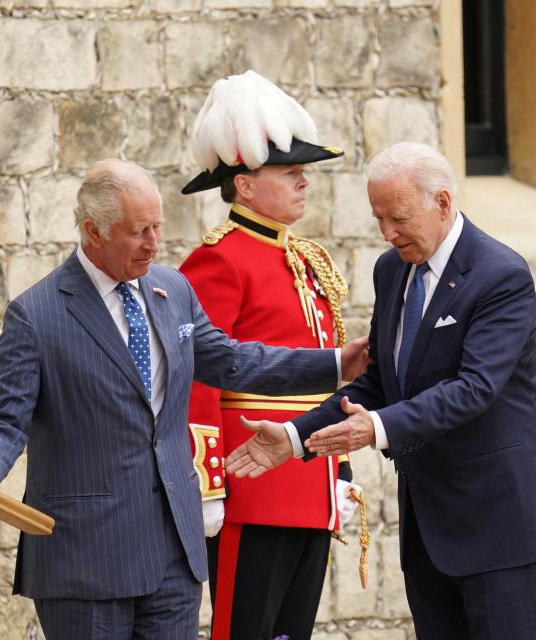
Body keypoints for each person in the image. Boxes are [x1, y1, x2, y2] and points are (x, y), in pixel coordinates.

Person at [0, 159, 367, 639]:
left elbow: (232, 361)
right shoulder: (36, 315)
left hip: (172, 555)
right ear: (93, 231)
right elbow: (1, 416)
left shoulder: (173, 288)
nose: (153, 243)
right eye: (138, 231)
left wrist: (334, 364)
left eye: (158, 226)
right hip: (86, 559)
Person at [225, 142, 536, 639]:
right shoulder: (391, 270)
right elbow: (379, 381)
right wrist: (295, 437)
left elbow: (474, 388)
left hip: (497, 519)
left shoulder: (500, 275)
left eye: (397, 217)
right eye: (378, 218)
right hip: (427, 521)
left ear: (442, 203)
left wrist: (375, 429)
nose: (387, 233)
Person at [178, 70, 362, 640]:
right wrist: (208, 484)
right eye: (289, 172)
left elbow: (331, 377)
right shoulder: (219, 260)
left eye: (303, 171)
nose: (304, 182)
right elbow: (199, 379)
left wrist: (342, 468)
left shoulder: (306, 259)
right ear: (246, 185)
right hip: (251, 487)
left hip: (309, 478)